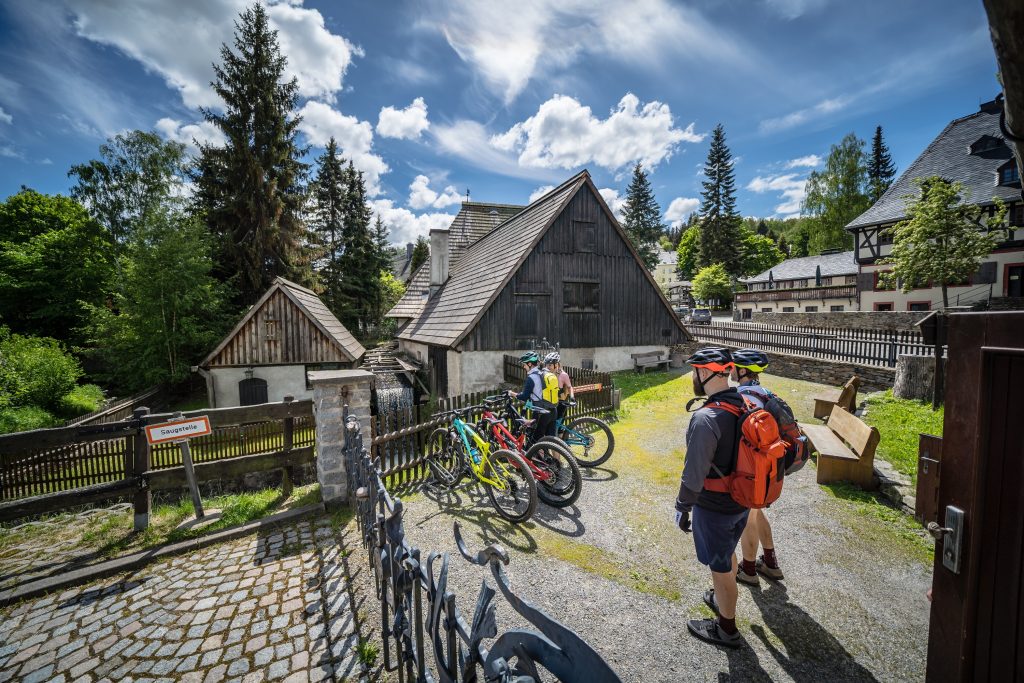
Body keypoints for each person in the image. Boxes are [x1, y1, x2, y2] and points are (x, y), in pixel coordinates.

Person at [674, 347, 747, 648]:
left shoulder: (707, 417)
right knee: (727, 553)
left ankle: (726, 629)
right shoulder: (742, 404)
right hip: (740, 502)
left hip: (715, 508)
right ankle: (720, 598)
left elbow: (693, 474)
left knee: (720, 568)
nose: (693, 376)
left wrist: (682, 506)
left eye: (694, 371)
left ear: (705, 372)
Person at [729, 348, 785, 586]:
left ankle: (749, 570)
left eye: (734, 367)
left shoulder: (742, 397)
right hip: (771, 465)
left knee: (748, 517)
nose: (731, 370)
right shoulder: (766, 394)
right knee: (757, 511)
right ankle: (770, 562)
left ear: (743, 371)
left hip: (753, 469)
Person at [508, 351, 557, 438]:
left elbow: (524, 396)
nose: (524, 367)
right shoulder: (542, 373)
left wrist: (512, 393)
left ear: (530, 364)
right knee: (552, 441)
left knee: (536, 441)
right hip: (552, 410)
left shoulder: (531, 378)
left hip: (541, 412)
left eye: (525, 364)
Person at [544, 352, 574, 424]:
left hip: (560, 404)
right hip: (549, 403)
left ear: (556, 364)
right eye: (546, 365)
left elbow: (570, 387)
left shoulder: (563, 375)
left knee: (557, 426)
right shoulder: (546, 374)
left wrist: (572, 397)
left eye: (550, 365)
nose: (547, 367)